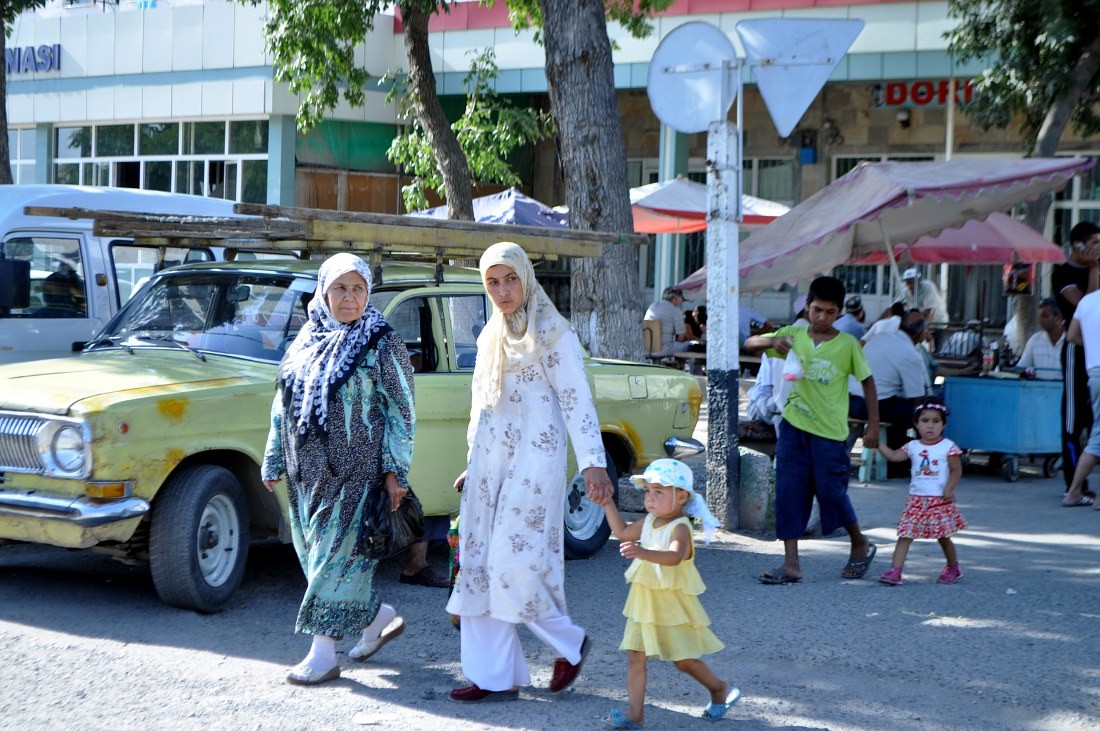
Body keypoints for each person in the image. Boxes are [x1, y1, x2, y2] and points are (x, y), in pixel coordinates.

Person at [446, 242, 615, 702]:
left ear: (527, 278)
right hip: (490, 462)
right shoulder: (488, 337)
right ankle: (493, 676)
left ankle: (570, 642)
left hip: (537, 460)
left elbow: (578, 402)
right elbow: (480, 406)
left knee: (510, 562)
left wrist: (594, 465)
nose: (502, 291)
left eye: (511, 279)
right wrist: (471, 463)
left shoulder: (555, 334)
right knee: (478, 565)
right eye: (492, 282)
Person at [261, 253, 415, 686]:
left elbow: (402, 409)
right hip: (304, 472)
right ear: (323, 291)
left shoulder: (382, 340)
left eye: (359, 289)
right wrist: (273, 457)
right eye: (340, 289)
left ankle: (322, 654)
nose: (350, 298)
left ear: (368, 293)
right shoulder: (306, 338)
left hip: (355, 471)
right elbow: (282, 404)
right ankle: (376, 617)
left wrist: (395, 471)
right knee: (316, 559)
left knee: (331, 559)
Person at [742, 276, 879, 584]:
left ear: (840, 313)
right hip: (793, 427)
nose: (822, 317)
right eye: (817, 310)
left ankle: (859, 541)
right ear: (807, 307)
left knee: (831, 492)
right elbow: (749, 343)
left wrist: (873, 427)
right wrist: (769, 341)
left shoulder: (847, 345)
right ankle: (791, 564)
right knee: (789, 492)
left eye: (830, 312)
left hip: (830, 433)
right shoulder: (793, 335)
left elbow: (868, 383)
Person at [599, 459, 738, 729]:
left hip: (671, 606)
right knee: (635, 655)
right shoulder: (650, 520)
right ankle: (635, 714)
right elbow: (622, 532)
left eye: (658, 492)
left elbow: (675, 556)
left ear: (681, 496)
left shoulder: (680, 527)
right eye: (648, 491)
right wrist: (607, 504)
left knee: (683, 661)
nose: (650, 498)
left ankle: (719, 689)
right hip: (645, 602)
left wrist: (642, 552)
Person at [876, 401, 967, 585]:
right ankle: (895, 571)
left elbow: (956, 470)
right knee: (905, 535)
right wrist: (877, 443)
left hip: (939, 500)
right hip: (916, 501)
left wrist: (949, 488)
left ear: (944, 424)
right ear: (916, 424)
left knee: (943, 536)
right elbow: (894, 456)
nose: (930, 425)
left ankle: (953, 568)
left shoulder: (948, 446)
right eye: (925, 421)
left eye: (936, 421)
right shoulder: (913, 446)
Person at [1052, 221, 1100, 499]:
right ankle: (1074, 484)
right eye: (1093, 242)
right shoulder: (1063, 274)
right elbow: (1089, 304)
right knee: (1073, 418)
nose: (1097, 248)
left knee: (1095, 419)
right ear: (1078, 245)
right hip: (1076, 349)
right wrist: (1094, 268)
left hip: (1096, 352)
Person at [848, 315, 930, 477]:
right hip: (873, 405)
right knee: (922, 412)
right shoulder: (910, 354)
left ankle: (896, 456)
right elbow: (916, 397)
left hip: (851, 401)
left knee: (900, 408)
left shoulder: (879, 337)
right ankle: (906, 459)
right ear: (919, 333)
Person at [1062, 281, 1100, 507]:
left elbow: (1071, 335)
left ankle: (1074, 491)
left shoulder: (1086, 301)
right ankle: (1086, 495)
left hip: (1094, 373)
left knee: (1097, 435)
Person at [1015, 298, 1064, 381]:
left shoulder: (1071, 341)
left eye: (1045, 316)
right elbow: (1021, 369)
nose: (1040, 320)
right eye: (1040, 316)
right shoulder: (1034, 341)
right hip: (1038, 391)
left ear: (1058, 318)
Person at [644, 287, 692, 354]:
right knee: (691, 345)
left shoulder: (652, 306)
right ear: (674, 298)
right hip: (665, 349)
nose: (681, 302)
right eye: (681, 298)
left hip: (647, 349)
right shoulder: (675, 310)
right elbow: (681, 337)